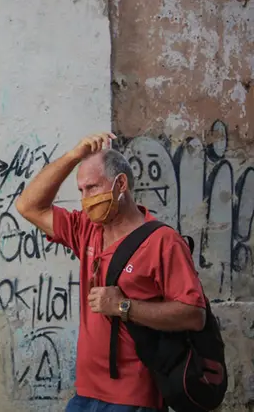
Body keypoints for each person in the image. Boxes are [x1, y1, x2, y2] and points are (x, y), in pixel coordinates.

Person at [15, 132, 206, 411]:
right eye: (81, 191)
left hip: (133, 398)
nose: (85, 199)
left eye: (92, 188)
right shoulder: (86, 230)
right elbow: (28, 206)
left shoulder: (162, 242)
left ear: (121, 184)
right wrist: (73, 157)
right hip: (85, 393)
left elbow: (194, 314)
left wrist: (124, 306)